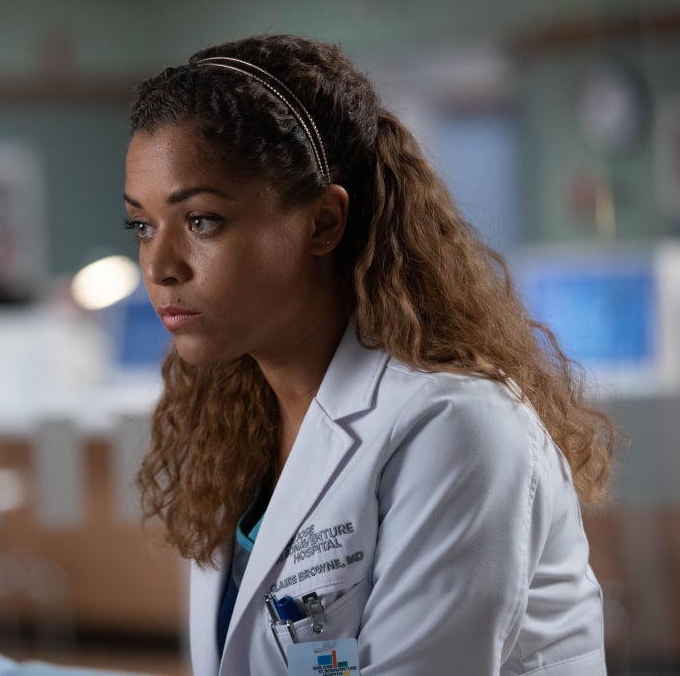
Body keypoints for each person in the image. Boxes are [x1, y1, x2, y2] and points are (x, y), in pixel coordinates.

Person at [124, 34, 614, 675]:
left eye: (202, 221)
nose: (159, 266)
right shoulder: (237, 427)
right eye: (142, 225)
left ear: (323, 222)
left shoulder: (458, 429)